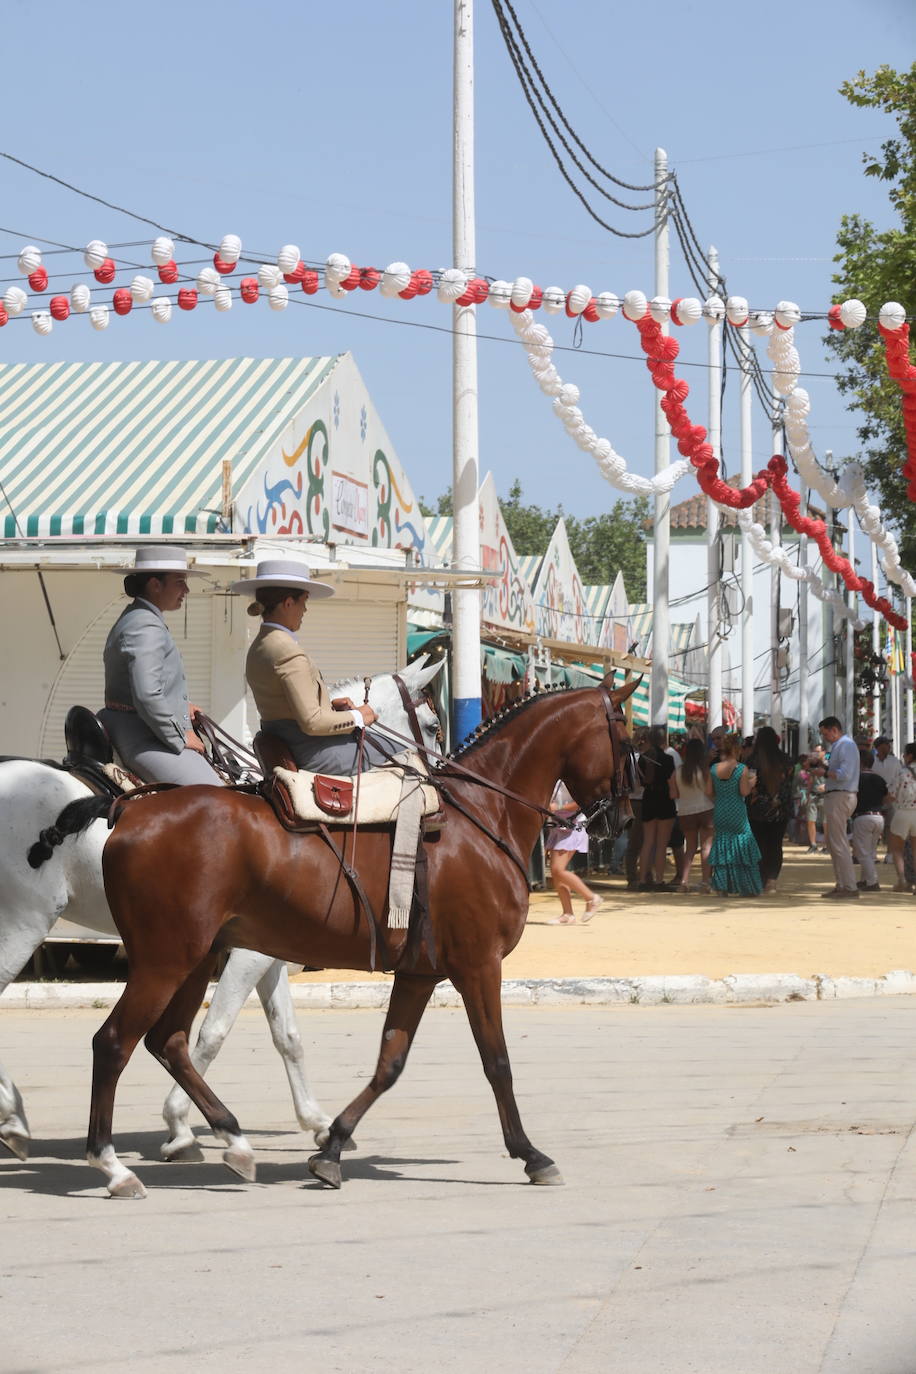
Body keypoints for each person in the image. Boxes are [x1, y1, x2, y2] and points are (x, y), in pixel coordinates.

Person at [232, 558, 389, 774]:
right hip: (312, 749)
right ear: (288, 603)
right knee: (402, 754)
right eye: (304, 601)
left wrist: (330, 707)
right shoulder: (286, 649)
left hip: (288, 741)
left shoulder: (260, 645)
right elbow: (312, 722)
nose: (305, 609)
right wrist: (359, 716)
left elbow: (287, 707)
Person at [97, 546, 223, 785]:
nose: (186, 589)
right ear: (155, 584)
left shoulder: (139, 616)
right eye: (180, 582)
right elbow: (146, 694)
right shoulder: (145, 624)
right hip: (142, 734)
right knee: (218, 796)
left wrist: (181, 705)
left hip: (138, 727)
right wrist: (180, 736)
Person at [705, 733, 762, 897]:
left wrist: (721, 796)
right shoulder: (741, 768)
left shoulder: (714, 768)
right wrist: (752, 783)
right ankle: (747, 886)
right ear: (737, 749)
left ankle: (722, 887)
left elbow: (708, 791)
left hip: (720, 809)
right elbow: (743, 791)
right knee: (744, 844)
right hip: (737, 810)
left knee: (723, 844)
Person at [544, 782, 604, 925]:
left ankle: (591, 898)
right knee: (556, 873)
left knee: (558, 870)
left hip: (572, 827)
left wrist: (558, 808)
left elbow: (581, 804)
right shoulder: (557, 780)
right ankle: (568, 914)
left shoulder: (573, 781)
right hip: (558, 826)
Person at [817, 716, 861, 901]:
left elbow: (845, 773)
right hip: (836, 794)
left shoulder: (846, 745)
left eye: (825, 733)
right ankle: (842, 884)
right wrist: (822, 765)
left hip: (841, 794)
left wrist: (825, 772)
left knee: (839, 843)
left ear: (834, 729)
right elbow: (834, 766)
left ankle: (849, 886)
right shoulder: (838, 746)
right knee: (834, 842)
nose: (824, 737)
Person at [746, 725, 793, 894]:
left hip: (757, 809)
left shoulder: (752, 761)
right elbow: (789, 785)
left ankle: (760, 878)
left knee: (759, 844)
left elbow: (749, 785)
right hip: (780, 809)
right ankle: (772, 881)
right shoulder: (786, 760)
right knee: (775, 844)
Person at [669, 736, 713, 892]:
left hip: (685, 812)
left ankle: (684, 881)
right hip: (706, 809)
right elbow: (710, 792)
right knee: (707, 846)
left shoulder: (678, 772)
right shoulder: (705, 770)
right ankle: (705, 882)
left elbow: (673, 795)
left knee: (690, 848)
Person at [636, 726, 676, 890]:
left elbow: (639, 782)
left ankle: (642, 880)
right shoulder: (668, 759)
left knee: (647, 842)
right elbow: (671, 783)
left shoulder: (642, 759)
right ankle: (659, 880)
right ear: (662, 740)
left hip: (648, 799)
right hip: (665, 800)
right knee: (661, 844)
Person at [852, 749, 887, 892]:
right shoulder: (879, 778)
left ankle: (872, 881)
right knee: (870, 851)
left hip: (863, 816)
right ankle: (865, 879)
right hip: (878, 816)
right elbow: (887, 796)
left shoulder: (856, 778)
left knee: (862, 852)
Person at [886, 741, 916, 893]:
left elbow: (891, 794)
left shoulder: (902, 772)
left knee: (897, 848)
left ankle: (902, 880)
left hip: (903, 812)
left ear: (910, 756)